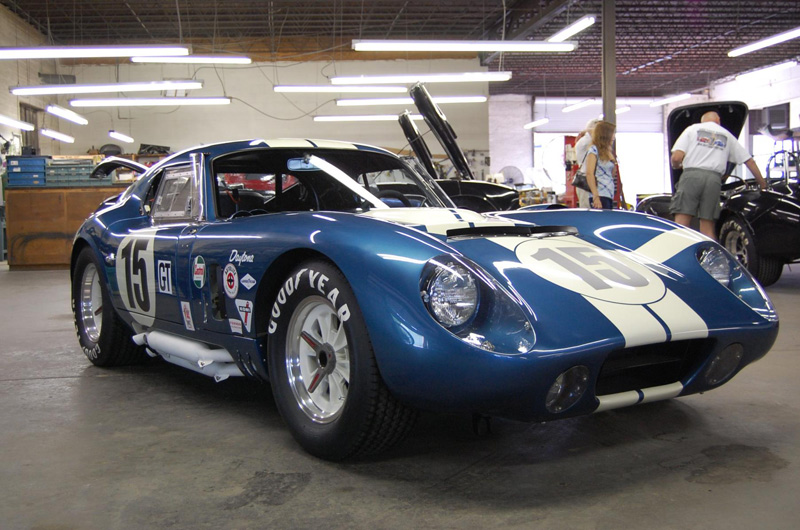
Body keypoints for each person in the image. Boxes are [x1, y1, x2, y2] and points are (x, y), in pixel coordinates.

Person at [670, 111, 767, 239]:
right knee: (708, 227)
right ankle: (711, 257)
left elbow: (677, 157)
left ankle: (678, 257)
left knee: (681, 225)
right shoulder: (727, 135)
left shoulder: (692, 129)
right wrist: (763, 185)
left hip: (691, 177)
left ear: (702, 120)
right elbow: (750, 161)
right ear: (719, 120)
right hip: (714, 180)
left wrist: (677, 166)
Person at [585, 120, 617, 209]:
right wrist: (595, 196)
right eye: (612, 133)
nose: (614, 137)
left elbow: (611, 175)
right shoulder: (593, 150)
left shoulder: (607, 152)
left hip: (608, 194)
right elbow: (589, 173)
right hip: (599, 194)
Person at [573, 119, 598, 208]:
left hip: (586, 180)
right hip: (585, 181)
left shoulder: (585, 140)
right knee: (587, 209)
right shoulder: (586, 141)